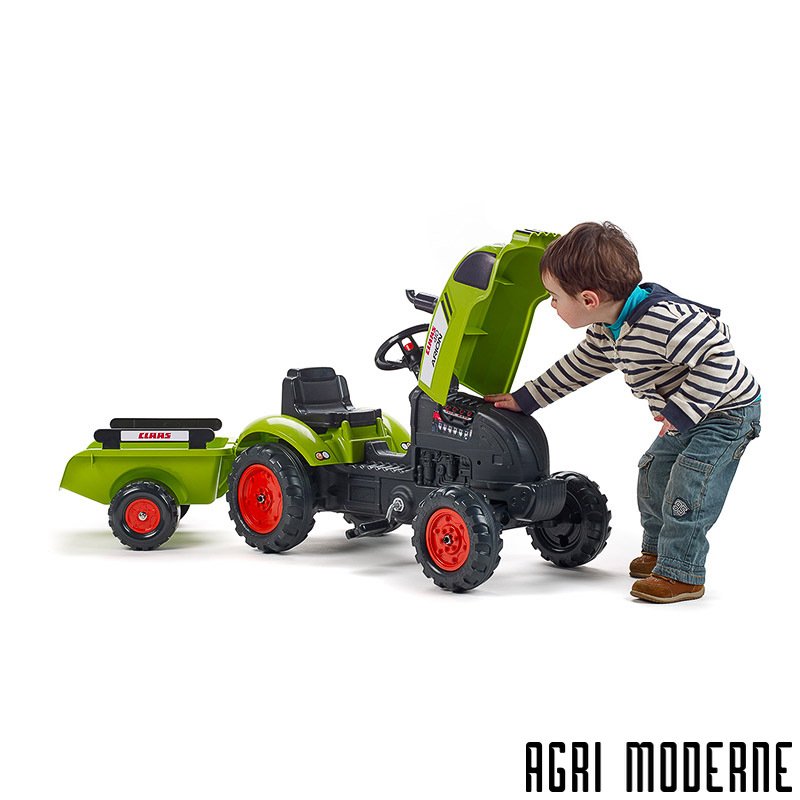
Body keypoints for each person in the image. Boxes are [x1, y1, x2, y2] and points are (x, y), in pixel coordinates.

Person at [485, 222, 761, 603]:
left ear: (588, 299)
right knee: (654, 471)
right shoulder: (608, 328)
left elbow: (719, 355)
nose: (551, 305)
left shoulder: (663, 321)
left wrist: (681, 411)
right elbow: (578, 367)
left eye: (554, 297)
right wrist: (526, 399)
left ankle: (682, 573)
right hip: (689, 416)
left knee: (690, 483)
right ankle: (660, 552)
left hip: (728, 412)